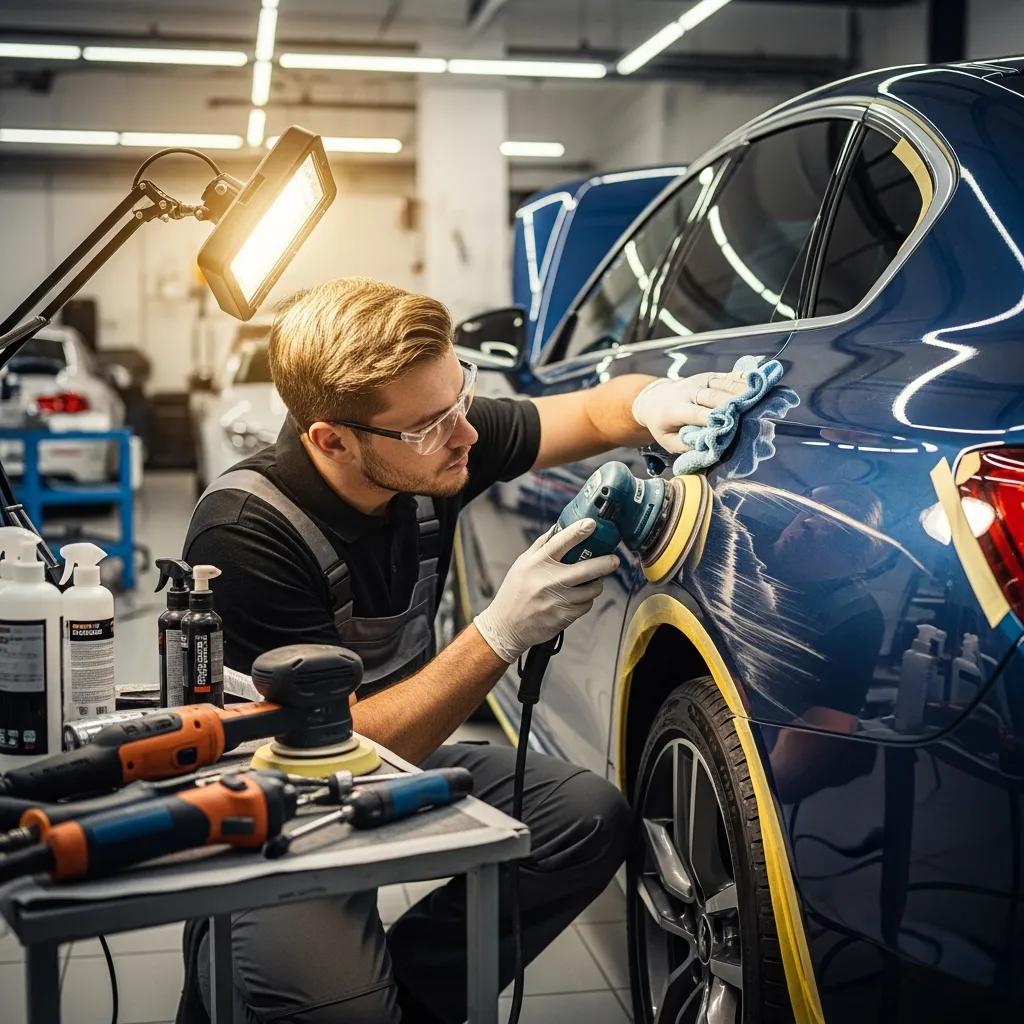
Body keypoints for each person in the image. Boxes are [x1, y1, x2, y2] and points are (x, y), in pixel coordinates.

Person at [177, 277, 745, 1024]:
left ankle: (403, 999)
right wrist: (500, 634)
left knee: (585, 818)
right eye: (429, 426)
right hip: (279, 813)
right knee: (338, 1008)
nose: (466, 437)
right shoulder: (247, 534)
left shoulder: (431, 438)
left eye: (461, 402)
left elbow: (589, 411)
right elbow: (333, 751)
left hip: (398, 764)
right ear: (332, 440)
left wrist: (654, 403)